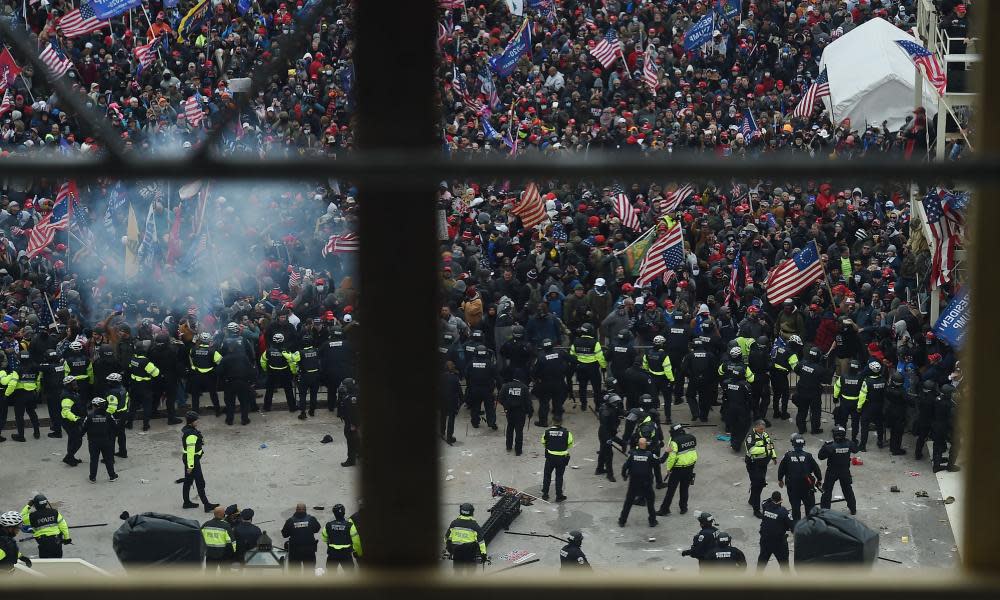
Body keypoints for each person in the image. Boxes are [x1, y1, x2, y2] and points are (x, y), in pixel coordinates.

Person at [777, 434, 823, 522]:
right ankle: (809, 524)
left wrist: (780, 479)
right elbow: (816, 468)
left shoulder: (787, 456)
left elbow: (781, 468)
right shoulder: (808, 456)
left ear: (793, 444)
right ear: (803, 444)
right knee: (809, 507)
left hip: (793, 487)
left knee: (795, 507)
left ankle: (797, 527)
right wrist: (819, 479)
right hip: (807, 486)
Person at [181, 411, 219, 511]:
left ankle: (186, 502)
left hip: (190, 460)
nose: (198, 421)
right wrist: (190, 466)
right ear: (192, 421)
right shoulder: (191, 435)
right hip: (192, 461)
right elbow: (190, 452)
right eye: (196, 420)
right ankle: (207, 505)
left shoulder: (189, 430)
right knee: (200, 482)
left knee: (188, 481)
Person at [657, 424, 697, 516]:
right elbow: (692, 452)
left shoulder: (674, 441)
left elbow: (672, 457)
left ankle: (664, 509)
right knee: (684, 489)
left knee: (671, 490)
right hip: (690, 467)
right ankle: (683, 508)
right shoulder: (691, 438)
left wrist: (668, 469)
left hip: (677, 469)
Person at [720, 346, 755, 451]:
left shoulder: (726, 383)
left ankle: (733, 440)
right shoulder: (745, 385)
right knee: (744, 426)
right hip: (742, 409)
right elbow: (750, 398)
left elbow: (720, 373)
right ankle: (737, 443)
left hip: (730, 406)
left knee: (733, 425)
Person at [819, 426, 859, 514]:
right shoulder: (849, 443)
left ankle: (825, 511)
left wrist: (824, 446)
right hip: (845, 470)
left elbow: (820, 457)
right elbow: (856, 449)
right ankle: (853, 509)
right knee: (848, 490)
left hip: (832, 471)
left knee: (827, 491)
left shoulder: (830, 446)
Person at [618, 437, 658, 528]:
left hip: (634, 482)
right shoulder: (649, 455)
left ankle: (622, 521)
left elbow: (625, 466)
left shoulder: (632, 454)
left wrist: (624, 476)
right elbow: (659, 462)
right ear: (645, 445)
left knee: (628, 502)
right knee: (650, 501)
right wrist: (667, 452)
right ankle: (652, 521)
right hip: (646, 483)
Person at [531, 338, 570, 425]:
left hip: (545, 383)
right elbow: (571, 359)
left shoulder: (540, 357)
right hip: (559, 381)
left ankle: (543, 421)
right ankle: (557, 418)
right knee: (558, 401)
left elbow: (534, 371)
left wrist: (536, 379)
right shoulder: (560, 353)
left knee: (544, 402)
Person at [217, 336, 255, 425]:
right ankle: (244, 419)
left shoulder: (225, 359)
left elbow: (219, 371)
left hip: (229, 383)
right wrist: (252, 381)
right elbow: (251, 369)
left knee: (230, 402)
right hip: (243, 382)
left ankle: (229, 420)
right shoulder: (244, 357)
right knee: (244, 401)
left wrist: (223, 379)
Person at [80, 397, 118, 484]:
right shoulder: (109, 415)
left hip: (93, 442)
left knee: (94, 460)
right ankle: (112, 476)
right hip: (106, 441)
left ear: (95, 406)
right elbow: (115, 427)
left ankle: (92, 478)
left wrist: (79, 436)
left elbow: (83, 429)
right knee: (108, 459)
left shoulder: (89, 416)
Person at [569, 323, 606, 412]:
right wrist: (603, 366)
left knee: (582, 387)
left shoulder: (576, 341)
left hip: (580, 367)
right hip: (593, 368)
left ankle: (583, 404)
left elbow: (572, 355)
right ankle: (597, 405)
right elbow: (600, 357)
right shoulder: (595, 342)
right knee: (596, 388)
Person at [6, 350, 41, 441]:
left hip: (20, 395)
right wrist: (37, 390)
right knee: (32, 413)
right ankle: (37, 432)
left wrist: (6, 395)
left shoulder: (17, 369)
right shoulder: (34, 368)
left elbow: (12, 384)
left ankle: (21, 436)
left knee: (19, 416)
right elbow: (38, 380)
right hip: (32, 394)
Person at [745, 420, 777, 518]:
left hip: (763, 463)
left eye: (763, 429)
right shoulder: (751, 436)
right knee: (757, 486)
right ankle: (756, 510)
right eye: (761, 429)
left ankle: (752, 500)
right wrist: (765, 449)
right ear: (756, 427)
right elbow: (751, 450)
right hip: (754, 464)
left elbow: (771, 445)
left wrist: (773, 456)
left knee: (761, 483)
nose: (763, 431)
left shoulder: (765, 434)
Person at [793, 346, 829, 434]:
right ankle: (815, 429)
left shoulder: (802, 363)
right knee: (816, 412)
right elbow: (825, 380)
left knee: (802, 411)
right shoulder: (819, 369)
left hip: (802, 391)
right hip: (814, 394)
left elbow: (796, 370)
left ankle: (801, 429)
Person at [261, 333, 300, 412]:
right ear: (283, 340)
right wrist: (294, 372)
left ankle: (266, 407)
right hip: (284, 373)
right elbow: (292, 362)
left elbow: (262, 361)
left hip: (272, 373)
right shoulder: (285, 351)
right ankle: (292, 407)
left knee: (269, 391)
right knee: (288, 391)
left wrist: (266, 370)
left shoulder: (268, 350)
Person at [128, 339, 161, 431]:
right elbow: (156, 373)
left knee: (133, 405)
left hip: (134, 386)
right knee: (147, 406)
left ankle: (129, 423)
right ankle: (145, 425)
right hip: (145, 387)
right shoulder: (146, 362)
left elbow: (130, 369)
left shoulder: (132, 359)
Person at [681, 338, 717, 422]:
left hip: (694, 379)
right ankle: (704, 417)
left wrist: (690, 375)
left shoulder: (689, 355)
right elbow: (715, 368)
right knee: (705, 398)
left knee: (690, 396)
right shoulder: (709, 355)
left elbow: (683, 369)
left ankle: (695, 413)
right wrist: (710, 378)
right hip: (706, 380)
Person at [445, 503, 487, 573]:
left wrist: (449, 548)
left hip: (457, 551)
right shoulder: (474, 525)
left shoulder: (454, 523)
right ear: (471, 512)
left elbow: (446, 538)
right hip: (470, 552)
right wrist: (483, 554)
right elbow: (481, 542)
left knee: (458, 572)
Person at [465, 345, 499, 430]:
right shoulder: (489, 364)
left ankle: (475, 423)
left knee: (475, 407)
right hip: (487, 390)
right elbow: (496, 376)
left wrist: (470, 385)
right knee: (490, 407)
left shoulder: (471, 363)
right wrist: (499, 387)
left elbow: (466, 374)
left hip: (475, 389)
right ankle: (491, 423)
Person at [757, 491, 793, 571]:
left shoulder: (765, 506)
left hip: (765, 540)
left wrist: (772, 499)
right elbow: (792, 525)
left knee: (762, 560)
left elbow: (765, 501)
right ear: (780, 500)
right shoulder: (783, 512)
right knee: (784, 564)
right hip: (779, 542)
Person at [189, 332, 222, 416]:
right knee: (213, 393)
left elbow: (191, 358)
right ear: (209, 340)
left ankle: (195, 412)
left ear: (200, 340)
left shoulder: (193, 349)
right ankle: (217, 410)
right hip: (209, 376)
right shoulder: (213, 352)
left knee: (195, 395)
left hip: (196, 375)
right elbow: (221, 363)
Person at [282, 503, 322, 573]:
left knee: (294, 574)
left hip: (295, 552)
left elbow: (284, 534)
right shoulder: (311, 519)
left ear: (296, 510)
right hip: (309, 551)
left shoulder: (290, 521)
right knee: (309, 573)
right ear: (305, 510)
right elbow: (317, 529)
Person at [642, 335, 675, 420]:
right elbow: (668, 369)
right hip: (664, 379)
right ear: (662, 344)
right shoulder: (664, 355)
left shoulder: (648, 353)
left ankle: (653, 416)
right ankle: (668, 418)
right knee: (667, 400)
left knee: (653, 398)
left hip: (652, 378)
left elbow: (645, 365)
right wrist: (671, 380)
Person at [541, 416, 573, 501]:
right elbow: (570, 444)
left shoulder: (547, 432)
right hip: (562, 458)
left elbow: (543, 442)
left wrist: (550, 447)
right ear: (561, 422)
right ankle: (559, 496)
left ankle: (545, 494)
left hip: (550, 457)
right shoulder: (567, 433)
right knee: (559, 476)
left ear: (552, 421)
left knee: (547, 475)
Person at [498, 374, 532, 455]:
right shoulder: (524, 387)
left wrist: (506, 406)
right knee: (519, 431)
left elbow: (500, 398)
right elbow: (528, 402)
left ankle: (509, 446)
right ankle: (518, 450)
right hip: (520, 412)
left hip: (510, 411)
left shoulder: (506, 386)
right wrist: (529, 412)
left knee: (510, 428)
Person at [857, 361, 887, 452]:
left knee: (865, 426)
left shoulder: (867, 382)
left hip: (868, 406)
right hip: (880, 406)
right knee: (879, 425)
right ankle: (880, 442)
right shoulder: (883, 380)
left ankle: (862, 446)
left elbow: (862, 396)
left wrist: (859, 407)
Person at [770, 335, 801, 421]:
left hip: (773, 373)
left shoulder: (779, 347)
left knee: (776, 394)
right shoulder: (792, 353)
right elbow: (796, 368)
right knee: (785, 394)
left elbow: (772, 357)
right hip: (781, 375)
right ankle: (784, 413)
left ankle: (776, 412)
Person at [833, 359, 864, 442]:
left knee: (843, 421)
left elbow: (836, 388)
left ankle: (842, 437)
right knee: (855, 422)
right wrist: (860, 405)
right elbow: (863, 393)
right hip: (856, 403)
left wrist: (835, 398)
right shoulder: (861, 378)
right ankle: (854, 439)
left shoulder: (843, 377)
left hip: (844, 403)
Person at [932, 385, 960, 473]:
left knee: (937, 445)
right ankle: (950, 466)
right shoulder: (950, 405)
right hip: (945, 427)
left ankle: (936, 464)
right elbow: (952, 420)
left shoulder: (938, 399)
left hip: (936, 425)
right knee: (956, 445)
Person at [596, 393, 623, 481]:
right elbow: (605, 427)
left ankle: (599, 469)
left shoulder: (612, 408)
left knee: (603, 451)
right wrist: (608, 439)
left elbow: (620, 412)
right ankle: (609, 474)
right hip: (605, 434)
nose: (616, 404)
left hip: (610, 432)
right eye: (614, 402)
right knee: (609, 454)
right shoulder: (606, 411)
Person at [59, 377, 86, 466]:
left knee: (72, 440)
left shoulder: (73, 393)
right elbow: (66, 412)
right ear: (68, 385)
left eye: (76, 383)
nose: (76, 385)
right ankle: (68, 457)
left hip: (74, 421)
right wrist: (76, 419)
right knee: (77, 441)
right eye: (73, 384)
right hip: (69, 422)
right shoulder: (66, 397)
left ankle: (70, 457)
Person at [40, 349, 66, 439]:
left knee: (54, 412)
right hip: (61, 391)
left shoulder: (47, 367)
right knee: (60, 411)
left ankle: (57, 432)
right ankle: (57, 426)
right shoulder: (61, 365)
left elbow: (35, 367)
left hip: (52, 393)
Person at [322, 504, 356, 572]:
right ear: (344, 512)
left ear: (334, 513)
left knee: (331, 574)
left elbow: (324, 537)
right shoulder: (350, 525)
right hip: (346, 553)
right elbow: (356, 540)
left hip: (332, 553)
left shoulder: (328, 525)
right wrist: (357, 551)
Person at [202, 505, 236, 572]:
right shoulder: (226, 526)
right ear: (222, 515)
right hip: (223, 555)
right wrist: (232, 554)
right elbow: (232, 543)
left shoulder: (206, 525)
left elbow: (200, 538)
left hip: (210, 555)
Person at [296, 334, 323, 418]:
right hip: (316, 375)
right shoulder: (317, 350)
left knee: (302, 395)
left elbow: (294, 363)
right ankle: (312, 411)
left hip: (304, 376)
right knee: (314, 394)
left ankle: (303, 412)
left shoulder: (299, 353)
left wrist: (295, 372)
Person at [336, 378, 361, 467]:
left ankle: (351, 460)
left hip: (351, 423)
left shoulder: (352, 398)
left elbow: (354, 413)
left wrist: (353, 425)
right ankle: (359, 454)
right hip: (350, 421)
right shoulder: (350, 394)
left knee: (351, 441)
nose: (343, 388)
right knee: (356, 439)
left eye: (345, 386)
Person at [884, 373, 910, 456]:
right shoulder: (902, 392)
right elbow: (910, 401)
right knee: (898, 433)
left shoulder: (888, 389)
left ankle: (892, 447)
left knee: (893, 431)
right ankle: (896, 449)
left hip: (890, 412)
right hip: (899, 414)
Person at [105, 373, 129, 458]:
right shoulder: (123, 389)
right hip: (123, 414)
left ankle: (109, 457)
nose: (108, 383)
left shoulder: (112, 393)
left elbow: (112, 407)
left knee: (111, 437)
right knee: (121, 435)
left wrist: (106, 415)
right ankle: (123, 452)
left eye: (110, 381)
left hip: (115, 415)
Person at [440, 361, 463, 445]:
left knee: (442, 416)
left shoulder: (441, 377)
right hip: (452, 401)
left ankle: (442, 432)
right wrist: (461, 400)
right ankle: (449, 437)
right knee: (451, 418)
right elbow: (459, 391)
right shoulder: (455, 378)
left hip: (442, 400)